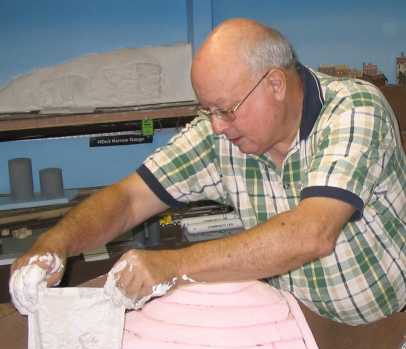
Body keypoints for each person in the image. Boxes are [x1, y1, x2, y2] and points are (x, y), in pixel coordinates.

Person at [10, 18, 405, 326]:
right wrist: (55, 243)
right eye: (207, 110)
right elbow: (129, 199)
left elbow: (311, 233)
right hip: (301, 325)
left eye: (226, 110)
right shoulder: (220, 134)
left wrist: (174, 265)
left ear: (275, 84)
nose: (216, 126)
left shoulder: (354, 110)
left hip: (390, 328)